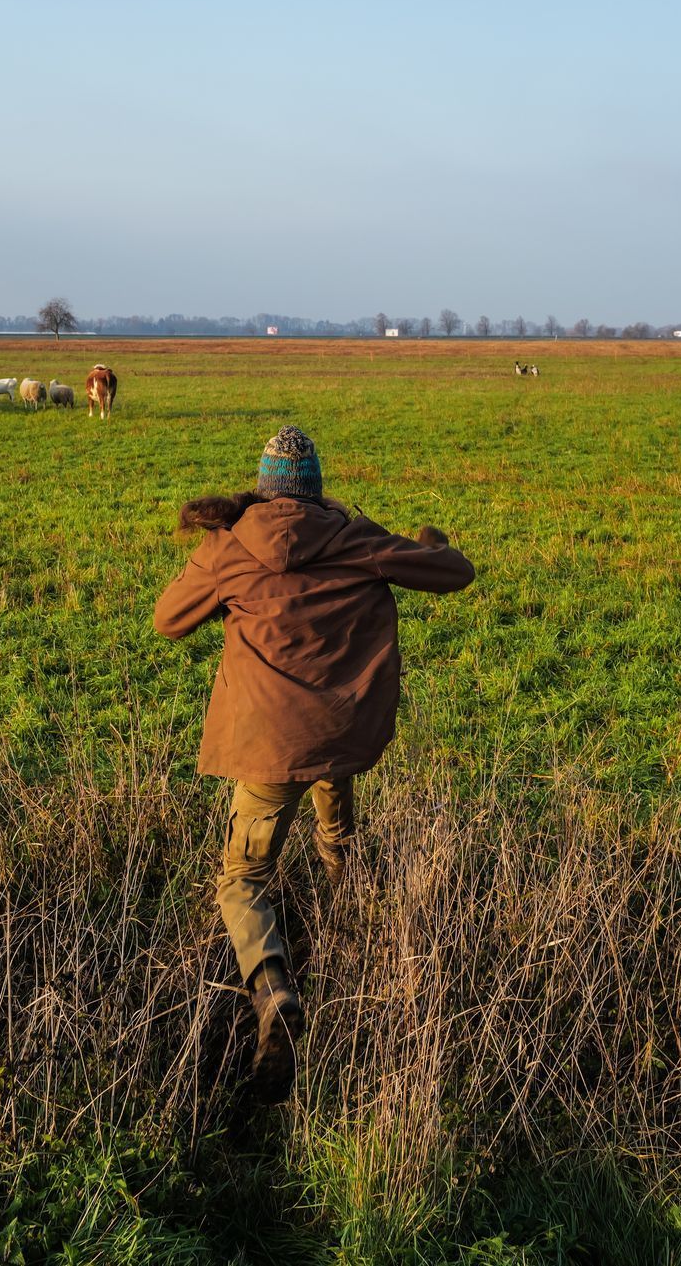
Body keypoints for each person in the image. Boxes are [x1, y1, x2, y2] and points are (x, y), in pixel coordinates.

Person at [153, 426, 475, 1102]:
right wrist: (428, 543)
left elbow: (168, 619)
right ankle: (351, 912)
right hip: (340, 725)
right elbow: (454, 573)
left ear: (263, 487)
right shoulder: (354, 538)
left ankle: (274, 993)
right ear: (316, 488)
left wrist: (213, 566)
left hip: (267, 744)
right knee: (336, 814)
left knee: (243, 878)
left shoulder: (228, 546)